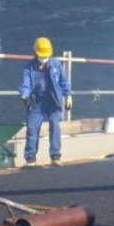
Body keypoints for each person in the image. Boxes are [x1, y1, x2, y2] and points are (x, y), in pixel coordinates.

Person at [19, 37, 72, 167]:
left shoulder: (56, 64)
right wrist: (25, 96)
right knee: (32, 128)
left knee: (55, 127)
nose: (43, 57)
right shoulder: (29, 67)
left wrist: (68, 95)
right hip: (38, 101)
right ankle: (30, 158)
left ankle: (55, 156)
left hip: (54, 101)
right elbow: (25, 84)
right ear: (35, 52)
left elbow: (64, 81)